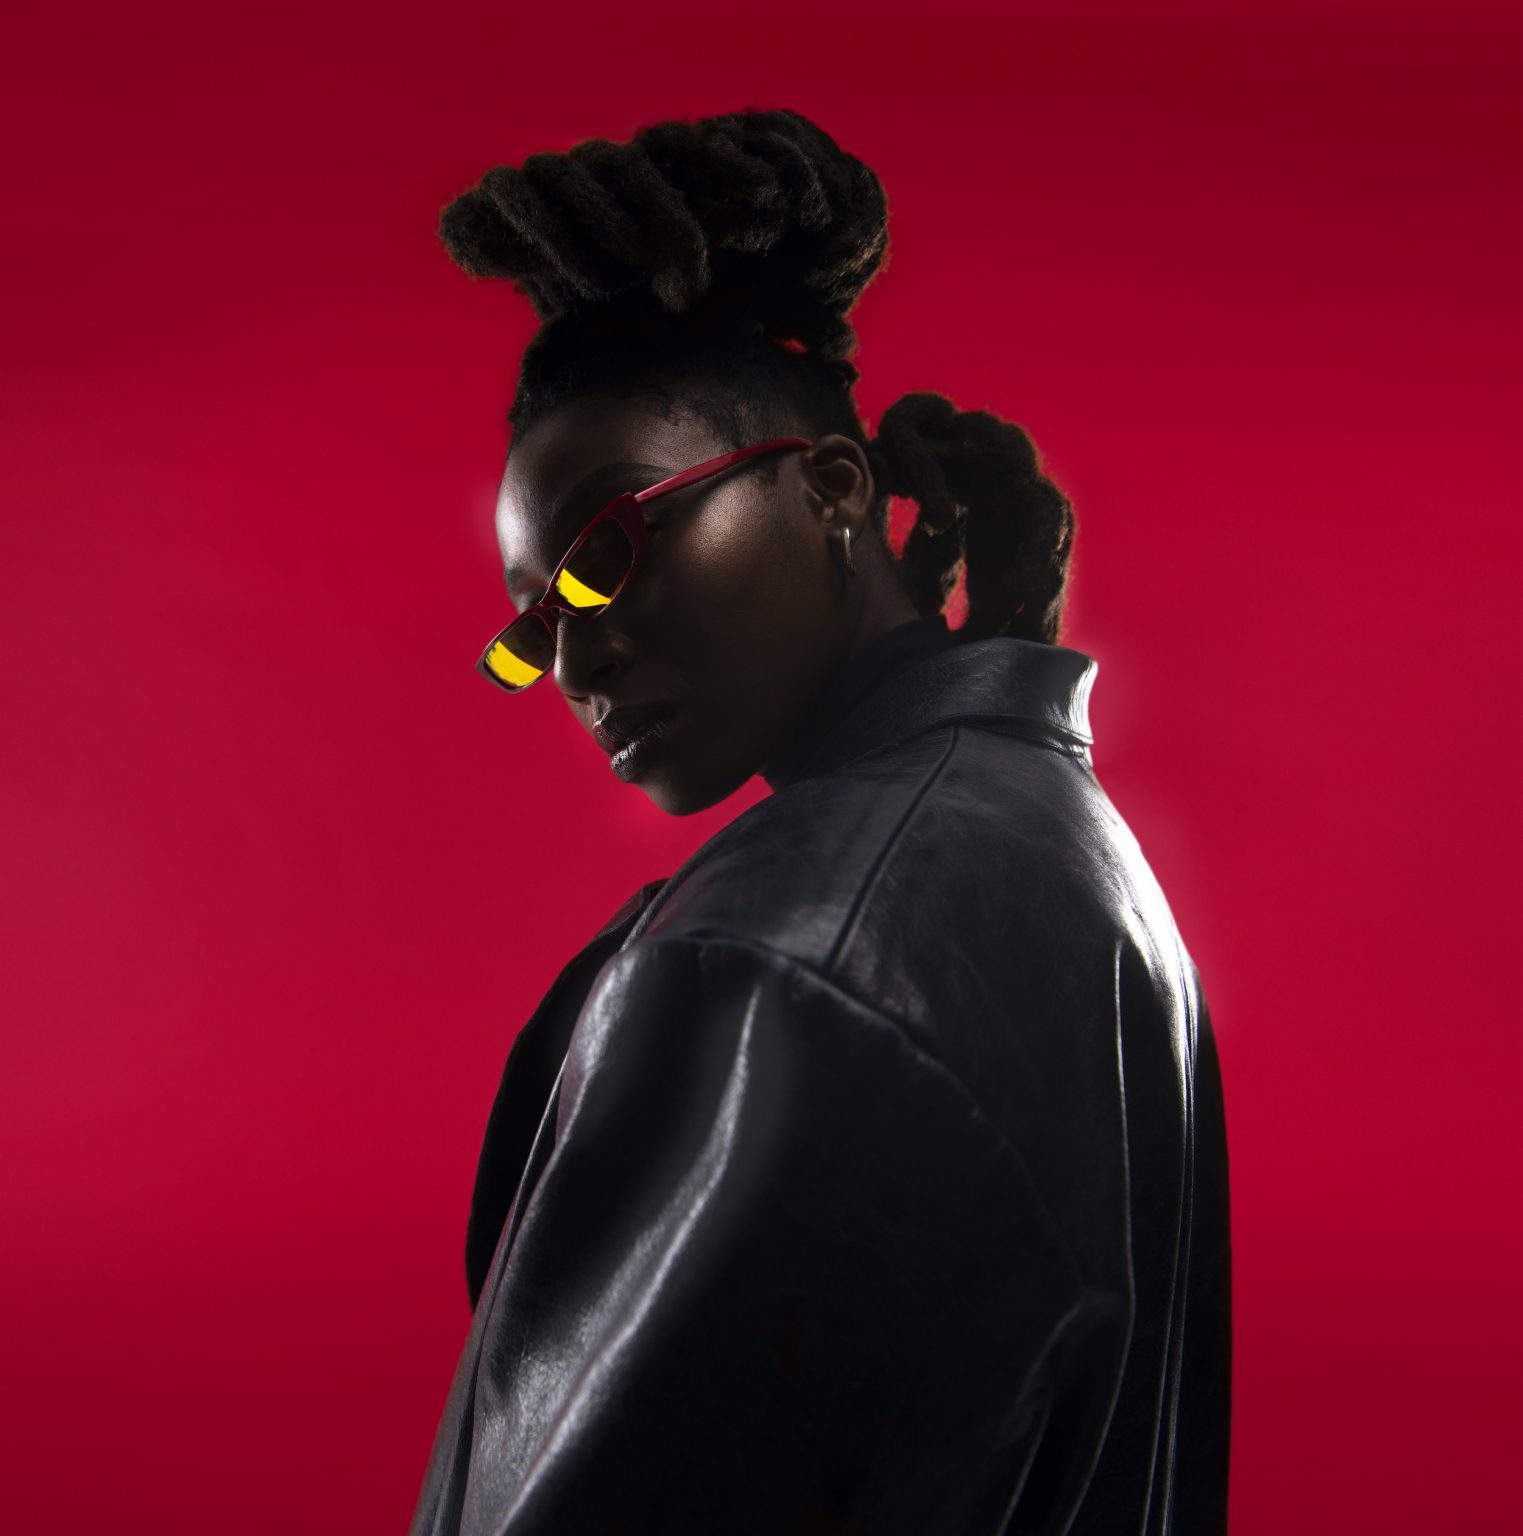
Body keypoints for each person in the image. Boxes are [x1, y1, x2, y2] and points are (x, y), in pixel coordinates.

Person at [409, 108, 1231, 1536]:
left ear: (833, 490)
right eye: (533, 627)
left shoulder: (787, 959)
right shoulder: (1057, 844)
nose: (578, 658)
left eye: (605, 553)